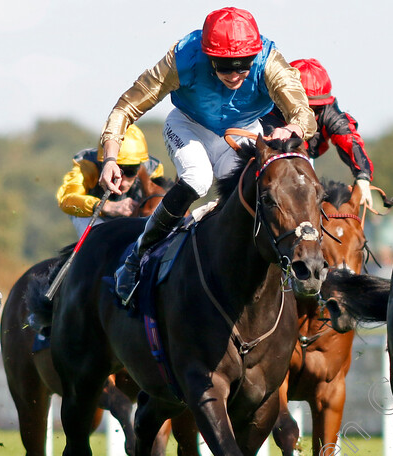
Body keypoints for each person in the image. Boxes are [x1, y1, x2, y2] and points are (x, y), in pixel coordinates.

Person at [98, 7, 316, 304]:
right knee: (198, 179)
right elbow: (126, 107)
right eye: (226, 67)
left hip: (242, 131)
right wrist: (110, 158)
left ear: (255, 56)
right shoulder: (184, 57)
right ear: (208, 57)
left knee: (256, 190)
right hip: (188, 125)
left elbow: (304, 113)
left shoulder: (269, 61)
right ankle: (137, 258)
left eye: (244, 66)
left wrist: (292, 127)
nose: (236, 75)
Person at [267, 58, 375, 208]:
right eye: (305, 108)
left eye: (316, 109)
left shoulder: (329, 111)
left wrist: (363, 177)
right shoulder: (269, 110)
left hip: (303, 158)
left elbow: (350, 140)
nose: (310, 116)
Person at [56, 125, 167, 238]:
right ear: (104, 163)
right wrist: (107, 207)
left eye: (130, 171)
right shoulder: (86, 166)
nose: (122, 182)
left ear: (140, 165)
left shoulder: (153, 170)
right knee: (100, 238)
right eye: (116, 171)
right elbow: (66, 199)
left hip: (132, 220)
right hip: (93, 218)